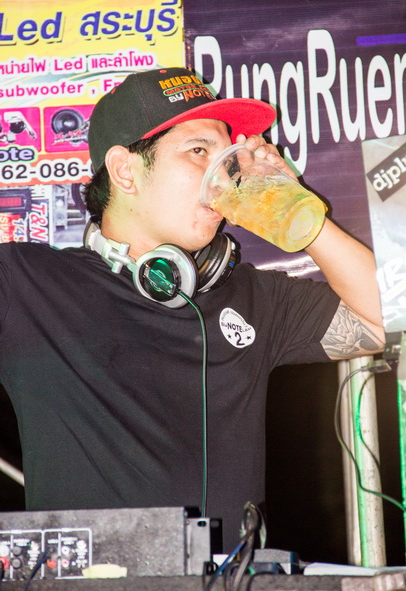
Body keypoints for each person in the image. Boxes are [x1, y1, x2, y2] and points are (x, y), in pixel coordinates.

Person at [0, 67, 384, 553]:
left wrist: (300, 213)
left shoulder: (253, 296)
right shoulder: (24, 283)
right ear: (125, 171)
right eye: (199, 152)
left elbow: (382, 317)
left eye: (227, 160)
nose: (220, 177)